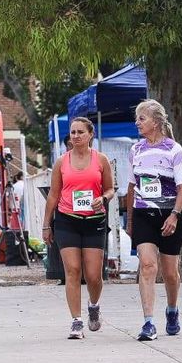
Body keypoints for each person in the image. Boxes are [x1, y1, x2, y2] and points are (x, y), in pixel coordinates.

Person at [42, 117, 114, 339]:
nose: (75, 136)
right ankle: (76, 321)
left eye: (80, 132)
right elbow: (54, 194)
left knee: (93, 275)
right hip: (67, 219)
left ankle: (93, 306)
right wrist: (47, 224)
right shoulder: (61, 162)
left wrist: (102, 198)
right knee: (72, 270)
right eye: (72, 132)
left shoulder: (101, 160)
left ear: (90, 134)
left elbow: (111, 189)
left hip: (94, 220)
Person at [124, 101, 182, 341]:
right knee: (148, 266)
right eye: (137, 118)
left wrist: (175, 215)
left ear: (156, 122)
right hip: (143, 215)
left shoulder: (174, 149)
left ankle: (172, 310)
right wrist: (130, 220)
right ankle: (148, 322)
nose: (137, 122)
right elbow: (131, 187)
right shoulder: (135, 150)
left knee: (170, 273)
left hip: (169, 215)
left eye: (142, 118)